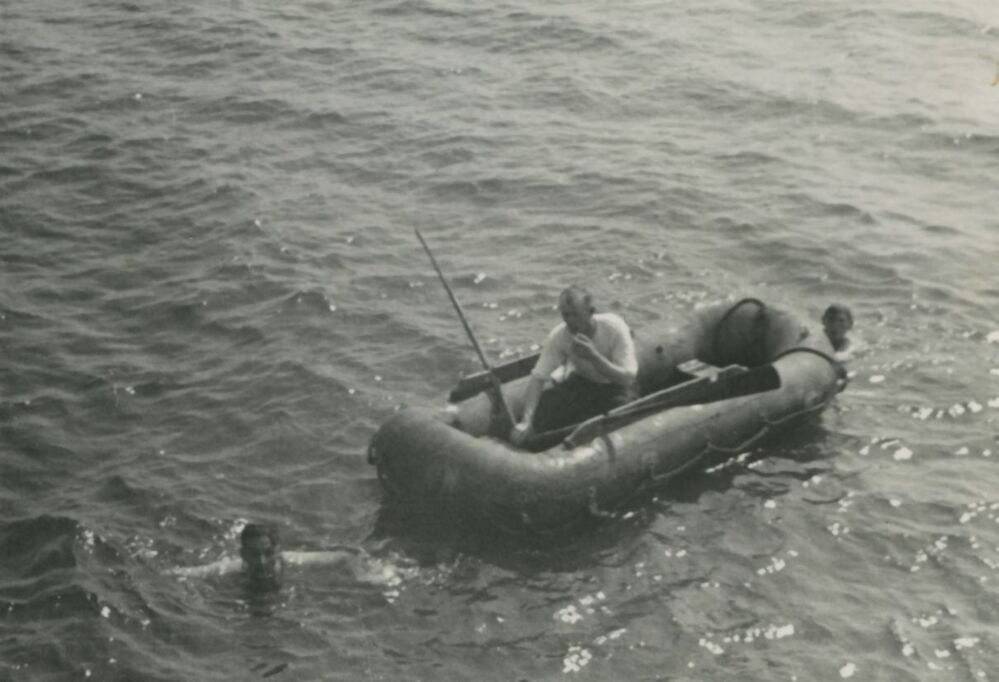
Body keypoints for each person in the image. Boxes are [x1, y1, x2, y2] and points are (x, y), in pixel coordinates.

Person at [510, 285, 638, 446]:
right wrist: (526, 420)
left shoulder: (613, 327)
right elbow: (538, 377)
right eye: (566, 315)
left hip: (616, 388)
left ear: (591, 312)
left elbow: (627, 378)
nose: (570, 321)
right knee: (545, 408)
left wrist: (593, 356)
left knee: (619, 417)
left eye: (575, 315)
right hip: (584, 384)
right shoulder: (560, 335)